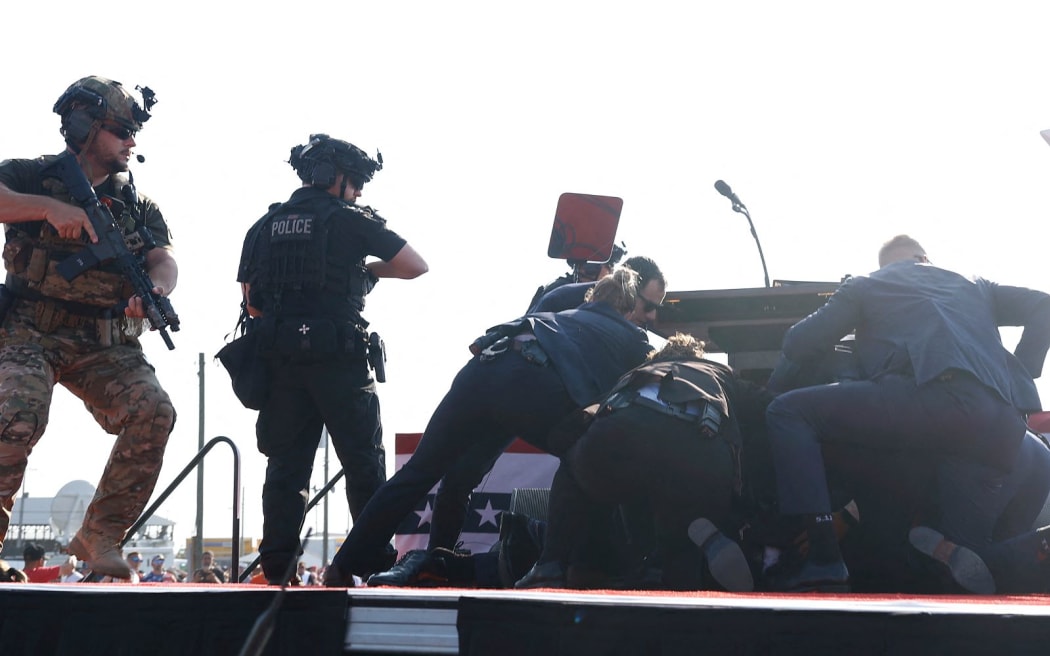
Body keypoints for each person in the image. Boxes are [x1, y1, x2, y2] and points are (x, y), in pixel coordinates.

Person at [326, 268, 653, 587]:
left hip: (483, 369)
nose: (650, 316)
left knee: (419, 473)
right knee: (583, 459)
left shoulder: (566, 312)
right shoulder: (633, 336)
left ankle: (346, 565)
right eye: (648, 308)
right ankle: (560, 563)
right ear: (627, 308)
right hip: (529, 387)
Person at [763, 235, 1050, 592]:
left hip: (931, 400)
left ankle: (824, 558)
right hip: (1001, 425)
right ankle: (1037, 547)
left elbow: (798, 343)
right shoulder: (974, 284)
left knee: (788, 412)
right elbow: (1044, 305)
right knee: (965, 559)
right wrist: (1021, 370)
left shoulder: (869, 283)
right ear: (925, 257)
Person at [0, 76, 177, 580]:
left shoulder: (136, 203)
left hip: (105, 339)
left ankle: (101, 534)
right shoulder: (31, 175)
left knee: (154, 411)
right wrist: (48, 208)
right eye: (121, 130)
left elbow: (163, 258)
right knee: (16, 416)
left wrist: (157, 290)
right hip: (29, 329)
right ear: (84, 127)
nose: (131, 142)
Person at [237, 133, 428, 585]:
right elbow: (415, 265)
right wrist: (365, 271)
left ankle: (277, 568)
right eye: (356, 181)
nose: (359, 191)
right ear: (331, 177)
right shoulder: (350, 221)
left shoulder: (264, 226)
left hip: (281, 361)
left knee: (285, 468)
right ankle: (373, 563)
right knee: (363, 464)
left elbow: (252, 303)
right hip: (340, 361)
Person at [515, 333, 764, 592]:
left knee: (578, 475)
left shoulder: (638, 373)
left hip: (622, 436)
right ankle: (676, 560)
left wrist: (569, 452)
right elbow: (770, 405)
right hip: (699, 452)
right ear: (697, 358)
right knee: (684, 510)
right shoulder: (718, 372)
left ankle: (552, 565)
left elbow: (581, 420)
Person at [525, 243, 625, 313]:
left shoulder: (602, 298)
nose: (610, 271)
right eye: (609, 265)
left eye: (611, 266)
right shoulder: (560, 288)